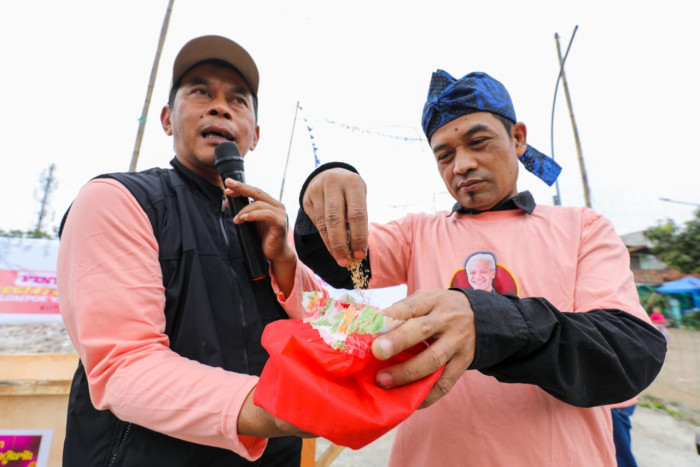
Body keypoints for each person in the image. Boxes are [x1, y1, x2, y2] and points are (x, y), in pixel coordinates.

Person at [293, 70, 667, 465]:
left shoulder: (582, 228)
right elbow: (339, 259)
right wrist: (326, 181)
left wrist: (486, 323)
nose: (462, 165)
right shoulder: (417, 233)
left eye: (478, 142)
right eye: (445, 155)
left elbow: (627, 352)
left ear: (518, 138)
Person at [57, 35, 321, 466]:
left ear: (254, 135)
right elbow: (125, 367)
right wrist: (276, 408)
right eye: (201, 92)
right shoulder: (118, 200)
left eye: (238, 99)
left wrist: (286, 263)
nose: (220, 107)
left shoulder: (268, 227)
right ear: (166, 118)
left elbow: (325, 337)